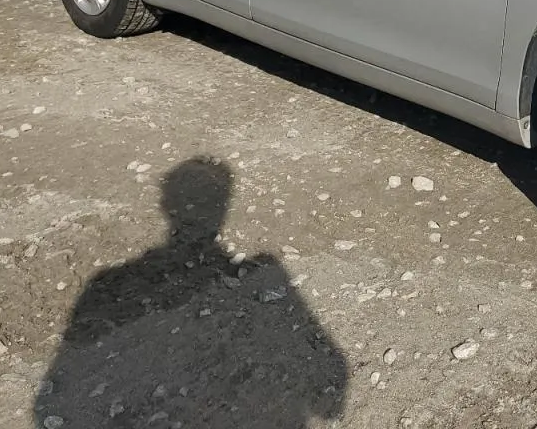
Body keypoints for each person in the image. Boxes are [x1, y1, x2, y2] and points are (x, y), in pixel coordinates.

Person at [33, 157, 348, 428]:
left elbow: (50, 404)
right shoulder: (267, 268)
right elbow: (331, 393)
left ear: (165, 206)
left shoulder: (103, 284)